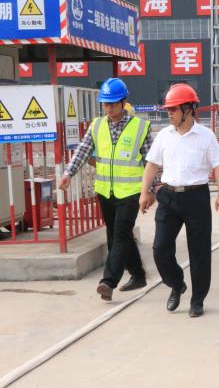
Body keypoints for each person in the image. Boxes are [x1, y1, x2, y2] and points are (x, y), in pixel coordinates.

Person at [139, 83, 219, 318]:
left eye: (173, 109)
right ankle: (176, 283)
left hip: (196, 197)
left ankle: (197, 300)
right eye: (168, 109)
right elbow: (152, 165)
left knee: (199, 252)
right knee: (160, 248)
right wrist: (144, 192)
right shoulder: (164, 136)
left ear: (188, 109)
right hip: (168, 197)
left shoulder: (205, 136)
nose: (169, 113)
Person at [58, 78, 151, 301]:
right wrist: (69, 173)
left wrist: (151, 190)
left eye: (112, 104)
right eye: (105, 104)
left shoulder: (140, 127)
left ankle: (108, 282)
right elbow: (83, 151)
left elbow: (152, 161)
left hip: (130, 191)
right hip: (105, 191)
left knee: (120, 234)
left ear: (123, 102)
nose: (108, 108)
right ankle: (138, 275)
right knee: (116, 234)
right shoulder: (97, 125)